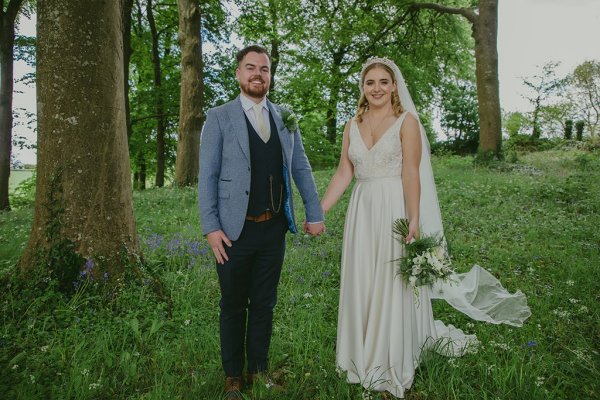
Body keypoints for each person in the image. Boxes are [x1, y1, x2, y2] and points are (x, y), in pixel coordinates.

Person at [320, 57, 530, 398]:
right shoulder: (351, 123)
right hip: (361, 210)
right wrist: (319, 211)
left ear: (393, 86)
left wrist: (414, 218)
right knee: (363, 277)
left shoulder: (407, 122)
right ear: (362, 87)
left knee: (390, 279)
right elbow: (344, 172)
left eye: (383, 82)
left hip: (393, 208)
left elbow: (411, 173)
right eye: (370, 82)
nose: (376, 88)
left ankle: (391, 357)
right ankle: (358, 352)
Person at [198, 45, 325, 399]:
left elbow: (300, 168)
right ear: (238, 73)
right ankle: (233, 377)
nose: (258, 74)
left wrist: (314, 212)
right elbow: (206, 175)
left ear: (270, 75)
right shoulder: (219, 117)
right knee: (233, 304)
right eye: (251, 67)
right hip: (232, 231)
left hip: (273, 229)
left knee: (265, 304)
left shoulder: (286, 116)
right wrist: (211, 227)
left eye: (264, 69)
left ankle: (258, 370)